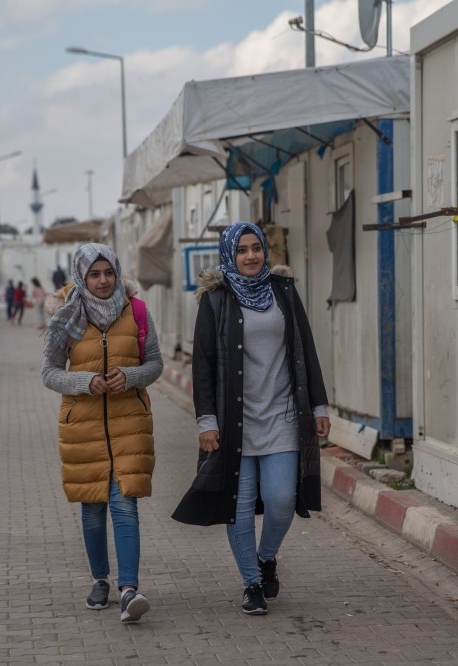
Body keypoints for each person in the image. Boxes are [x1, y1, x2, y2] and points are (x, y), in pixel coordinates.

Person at [172, 221, 330, 616]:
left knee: (281, 500)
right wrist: (205, 420)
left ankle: (266, 556)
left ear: (264, 250)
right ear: (230, 254)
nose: (250, 256)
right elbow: (203, 364)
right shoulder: (215, 299)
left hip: (281, 416)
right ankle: (251, 583)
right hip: (233, 422)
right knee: (239, 506)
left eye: (255, 247)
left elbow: (304, 349)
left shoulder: (283, 291)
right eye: (241, 250)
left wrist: (319, 406)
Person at [40, 243, 163, 624]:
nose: (104, 280)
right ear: (82, 276)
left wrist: (131, 376)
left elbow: (155, 364)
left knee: (125, 504)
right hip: (84, 427)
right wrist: (83, 381)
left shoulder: (137, 310)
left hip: (130, 424)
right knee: (93, 507)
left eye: (108, 272)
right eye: (94, 274)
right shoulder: (65, 317)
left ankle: (129, 590)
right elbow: (49, 372)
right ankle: (100, 580)